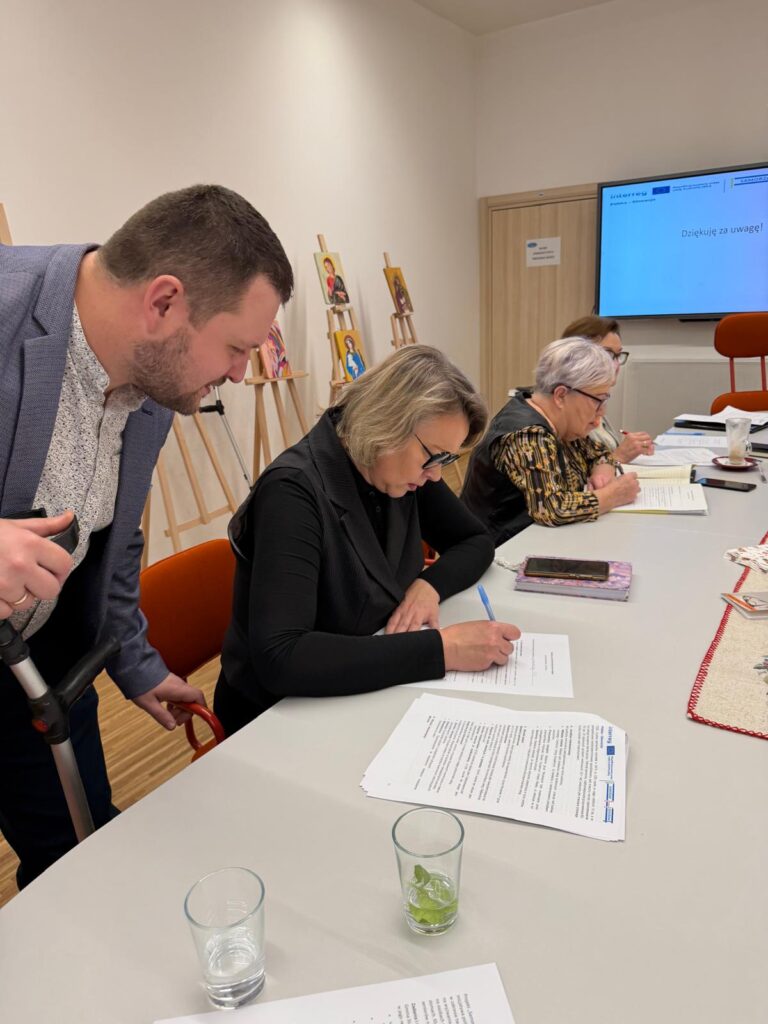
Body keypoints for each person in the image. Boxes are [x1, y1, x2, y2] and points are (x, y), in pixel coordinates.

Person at [0, 184, 293, 886]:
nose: (239, 373)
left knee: (79, 861)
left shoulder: (152, 384)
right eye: (235, 347)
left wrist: (135, 663)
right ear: (164, 302)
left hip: (34, 670)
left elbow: (114, 543)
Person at [213, 345, 520, 734]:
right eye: (434, 457)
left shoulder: (397, 467)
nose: (436, 475)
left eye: (446, 460)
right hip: (277, 716)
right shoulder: (293, 491)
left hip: (365, 682)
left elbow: (476, 540)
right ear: (388, 424)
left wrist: (429, 586)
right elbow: (283, 657)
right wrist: (443, 650)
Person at [461, 338, 640, 545]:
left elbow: (599, 452)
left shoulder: (562, 423)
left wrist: (603, 470)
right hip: (497, 551)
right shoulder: (527, 435)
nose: (602, 411)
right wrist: (613, 495)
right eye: (598, 400)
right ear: (561, 395)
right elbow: (552, 508)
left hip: (541, 541)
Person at [560, 316, 654, 462]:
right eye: (607, 354)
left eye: (618, 356)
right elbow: (577, 470)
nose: (615, 365)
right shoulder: (572, 400)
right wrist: (618, 457)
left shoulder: (598, 397)